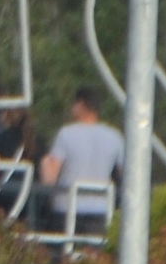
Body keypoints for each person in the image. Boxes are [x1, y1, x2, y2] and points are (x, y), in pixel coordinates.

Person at [40, 86, 127, 230]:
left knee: (62, 251)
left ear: (80, 104)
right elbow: (126, 174)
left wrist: (44, 163)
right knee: (96, 252)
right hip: (101, 209)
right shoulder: (115, 136)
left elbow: (50, 178)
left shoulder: (66, 134)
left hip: (66, 209)